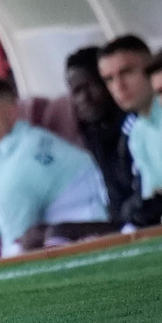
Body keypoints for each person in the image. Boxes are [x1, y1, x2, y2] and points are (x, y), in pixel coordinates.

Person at [0, 78, 110, 256]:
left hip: (97, 237)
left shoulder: (23, 159)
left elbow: (16, 251)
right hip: (68, 235)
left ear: (11, 111)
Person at [98, 35, 162, 221]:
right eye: (109, 79)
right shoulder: (137, 134)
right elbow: (154, 197)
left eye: (127, 72)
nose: (119, 86)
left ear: (150, 67)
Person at [64, 45, 138, 223]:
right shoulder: (92, 135)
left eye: (90, 86)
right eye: (76, 91)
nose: (84, 98)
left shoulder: (134, 126)